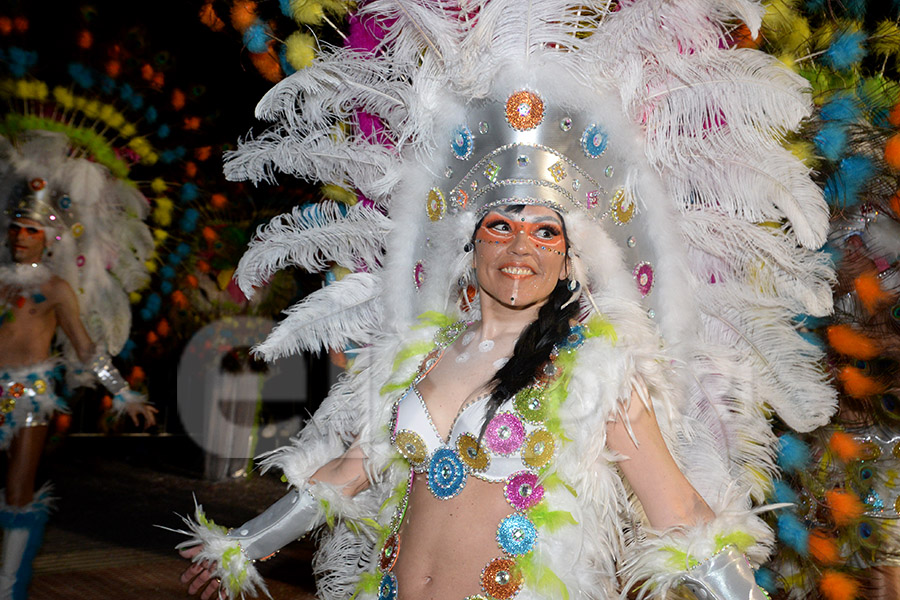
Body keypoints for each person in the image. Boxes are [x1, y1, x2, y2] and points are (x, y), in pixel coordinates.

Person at [175, 1, 837, 599]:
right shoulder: (426, 352)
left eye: (546, 230)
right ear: (472, 242)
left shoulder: (600, 370)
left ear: (567, 255)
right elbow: (350, 471)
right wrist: (245, 544)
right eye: (502, 225)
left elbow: (680, 513)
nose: (522, 247)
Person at [0, 133, 156, 600]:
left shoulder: (56, 289)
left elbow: (87, 349)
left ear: (48, 239)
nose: (20, 237)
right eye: (16, 228)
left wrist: (123, 393)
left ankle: (7, 588)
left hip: (30, 394)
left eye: (31, 230)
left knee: (18, 491)